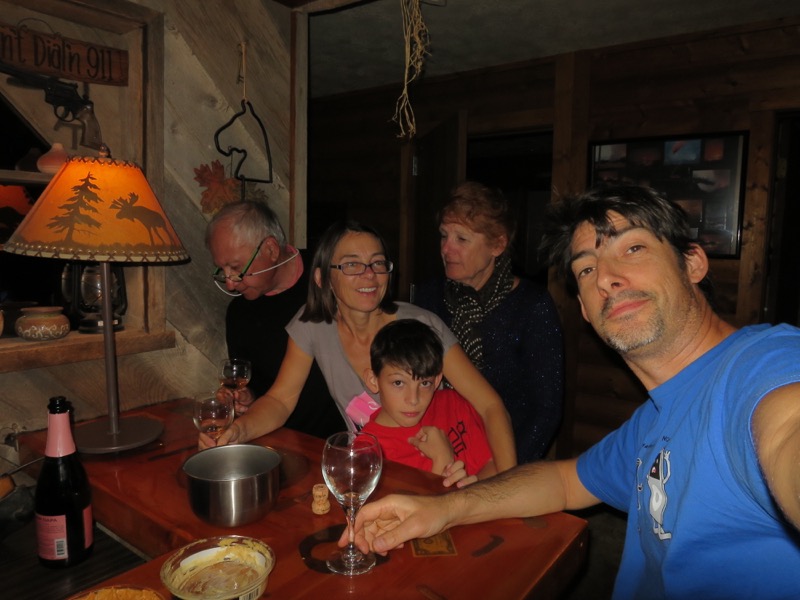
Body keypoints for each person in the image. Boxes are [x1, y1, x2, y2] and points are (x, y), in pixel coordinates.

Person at [346, 185, 800, 599]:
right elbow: (563, 482)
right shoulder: (651, 422)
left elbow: (786, 428)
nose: (606, 277)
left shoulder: (761, 366)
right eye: (587, 268)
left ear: (692, 263)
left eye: (633, 248)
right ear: (583, 308)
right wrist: (443, 509)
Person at [202, 220, 517, 473]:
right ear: (323, 278)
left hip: (446, 470)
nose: (369, 275)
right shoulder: (311, 324)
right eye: (352, 265)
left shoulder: (423, 325)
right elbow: (280, 401)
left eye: (377, 263)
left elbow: (490, 406)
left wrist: (506, 484)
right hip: (377, 474)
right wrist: (238, 431)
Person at [414, 181, 564, 463]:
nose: (446, 249)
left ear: (497, 245)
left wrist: (505, 468)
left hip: (503, 457)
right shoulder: (428, 297)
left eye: (462, 239)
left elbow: (546, 410)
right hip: (435, 451)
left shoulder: (531, 306)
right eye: (444, 235)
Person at [205, 201, 345, 438]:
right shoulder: (239, 313)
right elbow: (261, 388)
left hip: (349, 437)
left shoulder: (331, 276)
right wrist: (248, 397)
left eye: (236, 268)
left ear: (270, 249)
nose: (230, 283)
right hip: (283, 439)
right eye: (222, 270)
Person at [362, 318, 497, 483]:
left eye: (425, 383)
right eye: (398, 383)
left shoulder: (452, 403)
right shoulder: (367, 453)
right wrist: (442, 459)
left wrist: (471, 491)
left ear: (437, 380)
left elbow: (495, 464)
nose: (413, 400)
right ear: (373, 380)